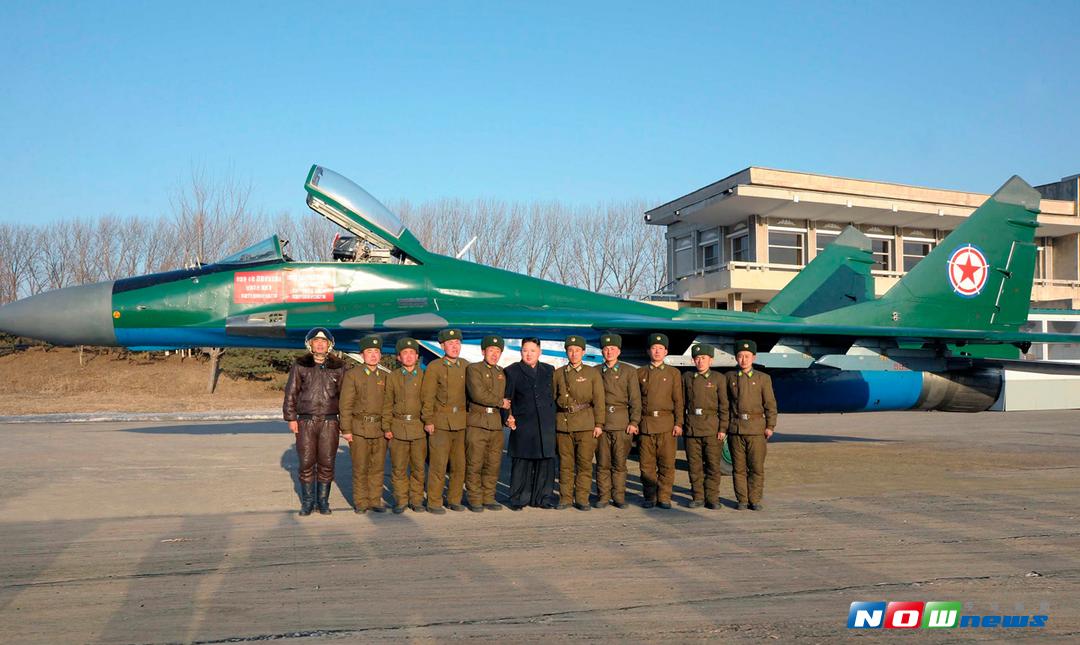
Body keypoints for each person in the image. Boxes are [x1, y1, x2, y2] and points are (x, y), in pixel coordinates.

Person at [283, 327, 347, 516]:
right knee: (306, 462)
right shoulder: (300, 365)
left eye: (324, 341)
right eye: (316, 341)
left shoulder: (339, 366)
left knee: (327, 462)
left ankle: (323, 502)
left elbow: (345, 397)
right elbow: (291, 393)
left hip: (330, 422)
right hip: (306, 421)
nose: (320, 344)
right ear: (309, 344)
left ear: (329, 344)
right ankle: (308, 503)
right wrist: (291, 417)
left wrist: (345, 422)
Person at [503, 337, 558, 510]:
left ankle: (542, 498)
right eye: (525, 350)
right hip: (524, 424)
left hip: (545, 424)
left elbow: (554, 395)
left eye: (532, 350)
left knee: (544, 463)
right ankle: (519, 498)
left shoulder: (549, 370)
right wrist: (508, 416)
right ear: (521, 352)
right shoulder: (512, 371)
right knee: (522, 463)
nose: (529, 354)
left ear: (539, 351)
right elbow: (507, 399)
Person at [553, 335, 605, 511]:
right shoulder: (558, 373)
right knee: (565, 464)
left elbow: (599, 400)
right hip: (564, 425)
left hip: (585, 424)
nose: (573, 354)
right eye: (570, 350)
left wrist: (599, 424)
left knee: (584, 464)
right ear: (566, 352)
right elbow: (553, 399)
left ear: (583, 352)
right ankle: (565, 498)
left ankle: (582, 498)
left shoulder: (592, 373)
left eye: (577, 350)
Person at [725, 340, 778, 511]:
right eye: (740, 356)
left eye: (747, 356)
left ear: (753, 357)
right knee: (738, 468)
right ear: (736, 358)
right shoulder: (730, 377)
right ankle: (741, 499)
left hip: (756, 429)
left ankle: (754, 499)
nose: (743, 360)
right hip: (736, 428)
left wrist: (770, 426)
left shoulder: (763, 378)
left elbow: (770, 404)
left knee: (756, 467)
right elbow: (725, 405)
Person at [421, 328, 469, 514]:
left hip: (461, 422)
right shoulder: (435, 367)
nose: (454, 346)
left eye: (457, 343)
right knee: (438, 464)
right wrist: (428, 420)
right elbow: (428, 396)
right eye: (450, 344)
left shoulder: (466, 365)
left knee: (459, 464)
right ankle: (434, 501)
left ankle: (454, 499)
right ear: (442, 346)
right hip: (440, 422)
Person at [339, 335, 388, 514]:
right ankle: (361, 502)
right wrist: (346, 429)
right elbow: (345, 404)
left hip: (380, 428)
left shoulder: (385, 376)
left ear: (380, 355)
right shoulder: (353, 375)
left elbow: (388, 404)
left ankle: (375, 500)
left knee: (377, 467)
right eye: (369, 352)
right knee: (360, 467)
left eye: (376, 352)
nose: (373, 355)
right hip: (359, 428)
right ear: (362, 355)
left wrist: (387, 428)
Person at [637, 333, 684, 509]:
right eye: (654, 348)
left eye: (660, 348)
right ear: (648, 351)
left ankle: (664, 497)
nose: (657, 351)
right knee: (646, 465)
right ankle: (649, 496)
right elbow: (635, 401)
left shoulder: (673, 373)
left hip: (666, 424)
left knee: (667, 464)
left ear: (666, 351)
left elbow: (679, 400)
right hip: (646, 424)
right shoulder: (640, 373)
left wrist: (679, 423)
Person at [595, 333, 641, 509]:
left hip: (622, 424)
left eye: (612, 349)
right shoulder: (596, 371)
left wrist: (634, 422)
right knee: (602, 463)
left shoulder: (629, 372)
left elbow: (635, 399)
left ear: (619, 351)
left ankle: (619, 497)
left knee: (620, 464)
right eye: (606, 349)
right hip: (602, 423)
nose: (609, 352)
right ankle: (603, 496)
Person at [382, 337, 427, 514]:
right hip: (398, 426)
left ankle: (416, 500)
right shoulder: (392, 377)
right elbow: (387, 403)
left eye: (412, 353)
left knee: (418, 467)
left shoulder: (425, 376)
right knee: (398, 468)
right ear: (399, 357)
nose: (408, 356)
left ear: (417, 356)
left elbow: (429, 402)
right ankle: (400, 500)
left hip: (418, 427)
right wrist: (386, 427)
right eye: (404, 353)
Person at [465, 335, 510, 512]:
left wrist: (509, 415)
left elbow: (509, 397)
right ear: (483, 351)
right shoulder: (474, 369)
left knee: (493, 463)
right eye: (491, 350)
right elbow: (478, 394)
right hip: (477, 422)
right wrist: (501, 403)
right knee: (475, 462)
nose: (494, 354)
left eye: (498, 351)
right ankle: (475, 498)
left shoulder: (501, 372)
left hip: (496, 424)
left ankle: (488, 496)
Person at [683, 343, 729, 510]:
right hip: (692, 428)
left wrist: (723, 428)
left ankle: (712, 497)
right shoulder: (687, 377)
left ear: (711, 360)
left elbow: (724, 406)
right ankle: (697, 496)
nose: (700, 362)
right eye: (697, 358)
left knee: (712, 465)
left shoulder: (718, 379)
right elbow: (682, 403)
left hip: (711, 428)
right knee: (694, 466)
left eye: (704, 358)